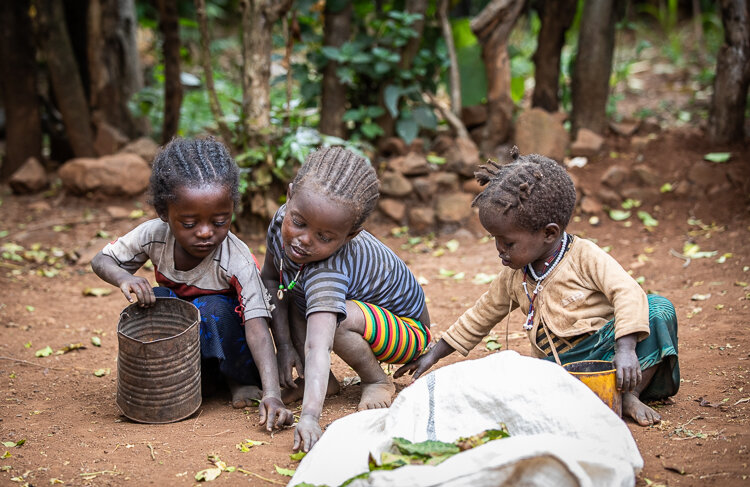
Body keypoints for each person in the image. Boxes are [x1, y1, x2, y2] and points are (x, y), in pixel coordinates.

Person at [395, 147, 679, 427]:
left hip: (605, 359)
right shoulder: (514, 275)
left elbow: (627, 292)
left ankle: (629, 394)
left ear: (549, 233)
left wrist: (625, 348)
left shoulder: (584, 256)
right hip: (556, 371)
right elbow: (480, 315)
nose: (500, 251)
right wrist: (433, 354)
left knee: (658, 309)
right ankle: (590, 397)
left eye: (508, 243)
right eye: (495, 240)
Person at [91, 137, 293, 431]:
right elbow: (101, 260)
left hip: (233, 346)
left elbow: (258, 328)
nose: (205, 233)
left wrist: (273, 394)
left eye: (220, 221)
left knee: (211, 307)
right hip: (190, 346)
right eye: (189, 224)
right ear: (164, 214)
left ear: (232, 211)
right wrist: (126, 277)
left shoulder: (237, 260)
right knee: (157, 299)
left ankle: (238, 381)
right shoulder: (154, 235)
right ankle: (192, 382)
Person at [262, 146, 431, 452]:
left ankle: (377, 380)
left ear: (350, 235)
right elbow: (272, 281)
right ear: (289, 198)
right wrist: (285, 345)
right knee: (297, 294)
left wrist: (310, 417)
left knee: (334, 318)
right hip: (360, 316)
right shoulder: (279, 224)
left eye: (324, 237)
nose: (304, 240)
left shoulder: (329, 269)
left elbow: (319, 343)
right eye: (299, 223)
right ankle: (324, 381)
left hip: (405, 332)